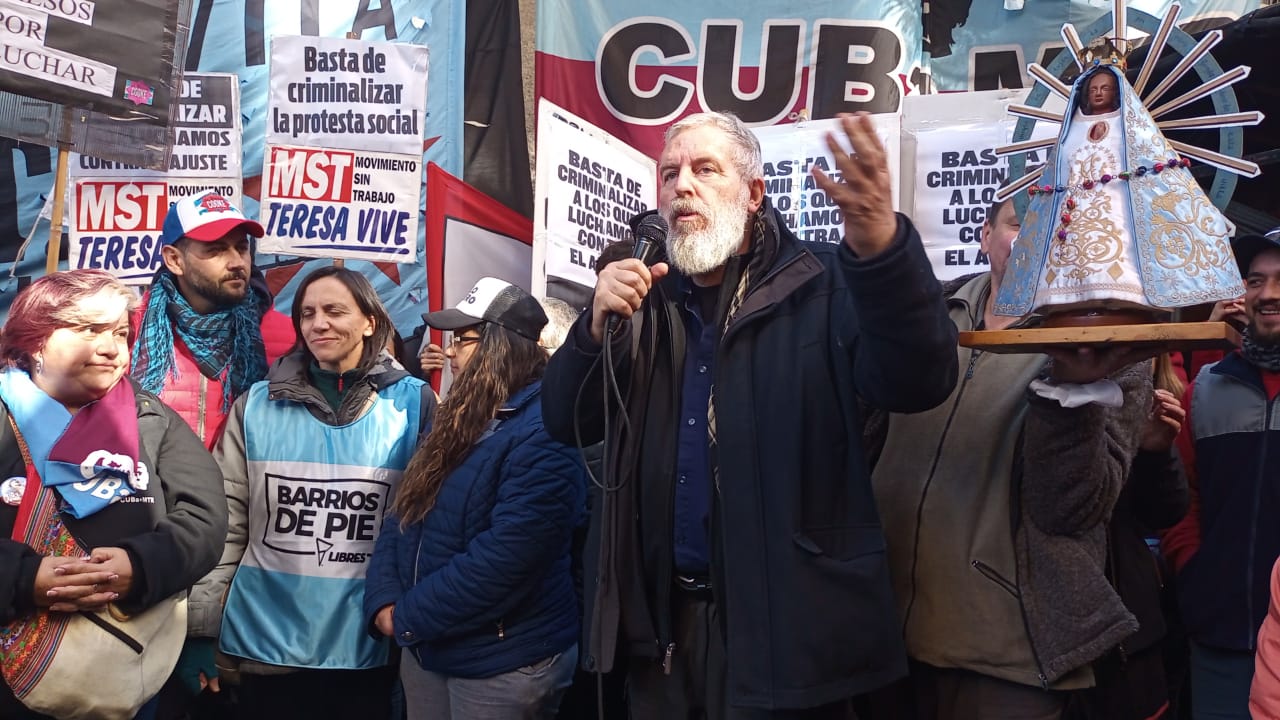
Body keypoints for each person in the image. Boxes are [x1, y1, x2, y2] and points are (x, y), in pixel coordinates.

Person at [541, 111, 958, 717]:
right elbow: (566, 422)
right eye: (669, 173)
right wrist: (593, 330)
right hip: (662, 636)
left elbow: (920, 380)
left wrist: (883, 251)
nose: (682, 185)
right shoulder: (643, 298)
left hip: (786, 633)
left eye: (705, 169)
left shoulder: (823, 282)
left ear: (753, 193)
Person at [867, 193, 1154, 720]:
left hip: (1007, 656)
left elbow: (1071, 510)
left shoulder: (1112, 349)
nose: (1040, 238)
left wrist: (1073, 391)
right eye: (1022, 223)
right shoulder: (927, 316)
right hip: (880, 643)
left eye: (1060, 226)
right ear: (985, 234)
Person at [194, 266, 436, 720]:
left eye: (334, 310)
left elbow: (425, 528)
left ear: (370, 322)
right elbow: (225, 523)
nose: (318, 323)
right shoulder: (256, 407)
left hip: (367, 651)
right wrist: (205, 630)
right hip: (266, 647)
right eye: (307, 313)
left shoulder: (414, 404)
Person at [0, 270, 227, 719]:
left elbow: (205, 520)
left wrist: (140, 567)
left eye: (120, 333)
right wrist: (25, 580)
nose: (111, 349)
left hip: (123, 668)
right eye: (89, 331)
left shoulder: (150, 418)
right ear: (35, 341)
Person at [365, 277, 586, 719]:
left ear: (502, 345)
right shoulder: (456, 420)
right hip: (430, 651)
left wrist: (407, 616)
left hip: (502, 664)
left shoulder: (546, 430)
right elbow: (403, 515)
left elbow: (508, 557)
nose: (449, 352)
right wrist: (384, 600)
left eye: (464, 340)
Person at [1163, 227, 1280, 720]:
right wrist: (1195, 570)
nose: (1268, 294)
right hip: (1220, 639)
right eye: (1255, 280)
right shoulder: (1206, 389)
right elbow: (1182, 497)